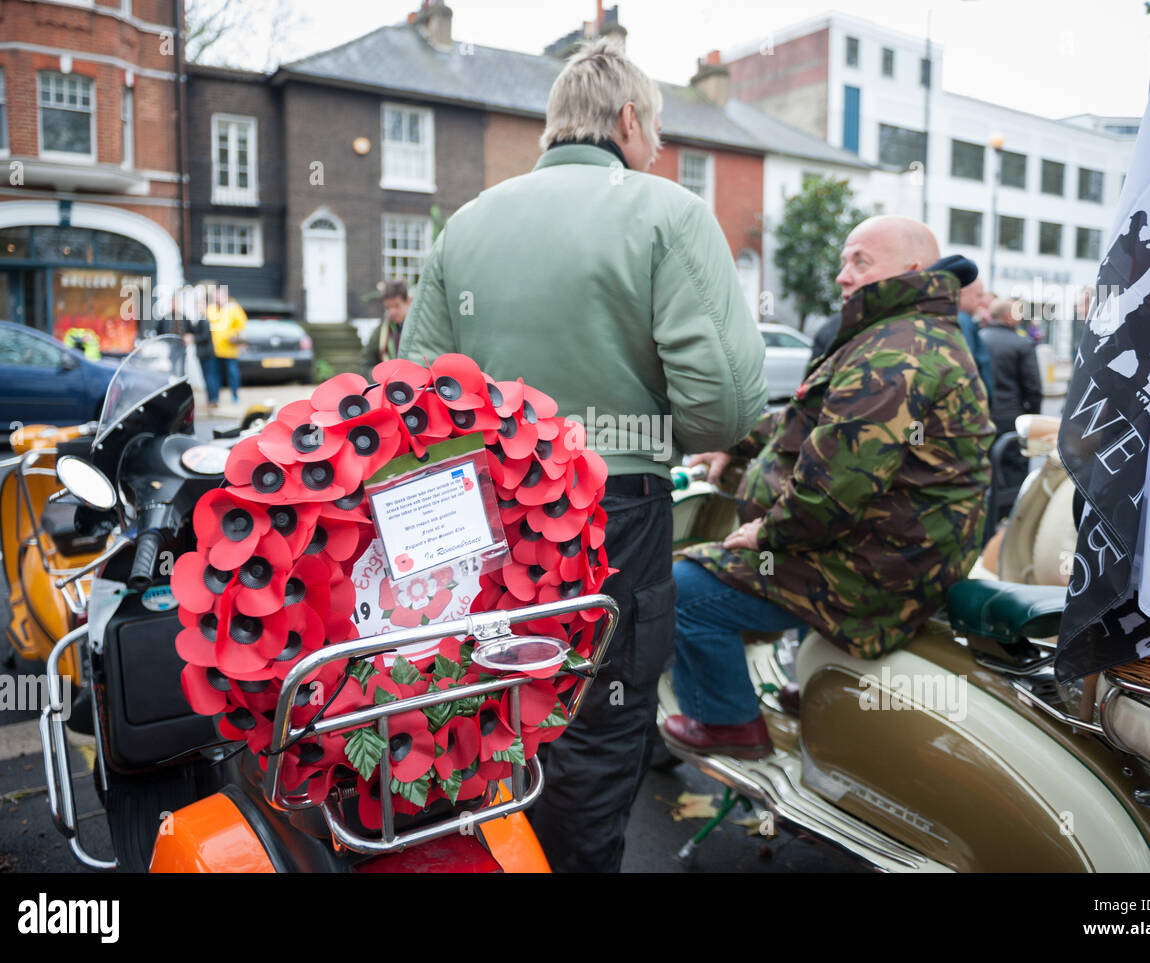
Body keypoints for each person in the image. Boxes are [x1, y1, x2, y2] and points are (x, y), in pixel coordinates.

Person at [399, 36, 768, 872]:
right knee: (597, 725)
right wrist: (646, 434)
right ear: (628, 119)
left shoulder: (468, 222)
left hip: (483, 515)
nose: (661, 148)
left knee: (487, 707)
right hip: (611, 510)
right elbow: (723, 409)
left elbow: (413, 400)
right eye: (658, 129)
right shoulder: (666, 213)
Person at [661, 214, 994, 758]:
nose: (843, 275)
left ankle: (725, 723)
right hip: (892, 550)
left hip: (878, 567)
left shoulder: (896, 353)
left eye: (860, 261)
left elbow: (832, 494)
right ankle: (812, 688)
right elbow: (811, 429)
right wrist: (737, 444)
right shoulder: (901, 336)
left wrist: (765, 532)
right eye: (844, 260)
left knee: (685, 590)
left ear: (911, 270)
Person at [979, 298, 1043, 485]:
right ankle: (1008, 512)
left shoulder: (978, 339)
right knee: (1014, 470)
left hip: (982, 414)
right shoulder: (1022, 344)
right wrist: (1032, 417)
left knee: (984, 467)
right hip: (1011, 417)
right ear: (1008, 316)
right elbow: (1033, 387)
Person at [955, 273, 995, 403]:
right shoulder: (963, 321)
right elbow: (968, 366)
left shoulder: (963, 321)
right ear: (962, 293)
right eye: (978, 295)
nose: (982, 301)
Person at [206, 285, 247, 405]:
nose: (217, 298)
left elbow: (242, 326)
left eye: (219, 295)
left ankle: (235, 395)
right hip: (214, 349)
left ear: (225, 296)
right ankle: (215, 398)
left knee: (232, 374)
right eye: (215, 296)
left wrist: (237, 338)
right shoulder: (211, 309)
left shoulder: (234, 308)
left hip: (229, 349)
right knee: (215, 375)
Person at [361, 280, 411, 374]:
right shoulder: (380, 332)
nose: (392, 312)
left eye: (396, 306)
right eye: (388, 307)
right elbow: (366, 364)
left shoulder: (420, 329)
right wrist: (380, 378)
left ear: (407, 301)